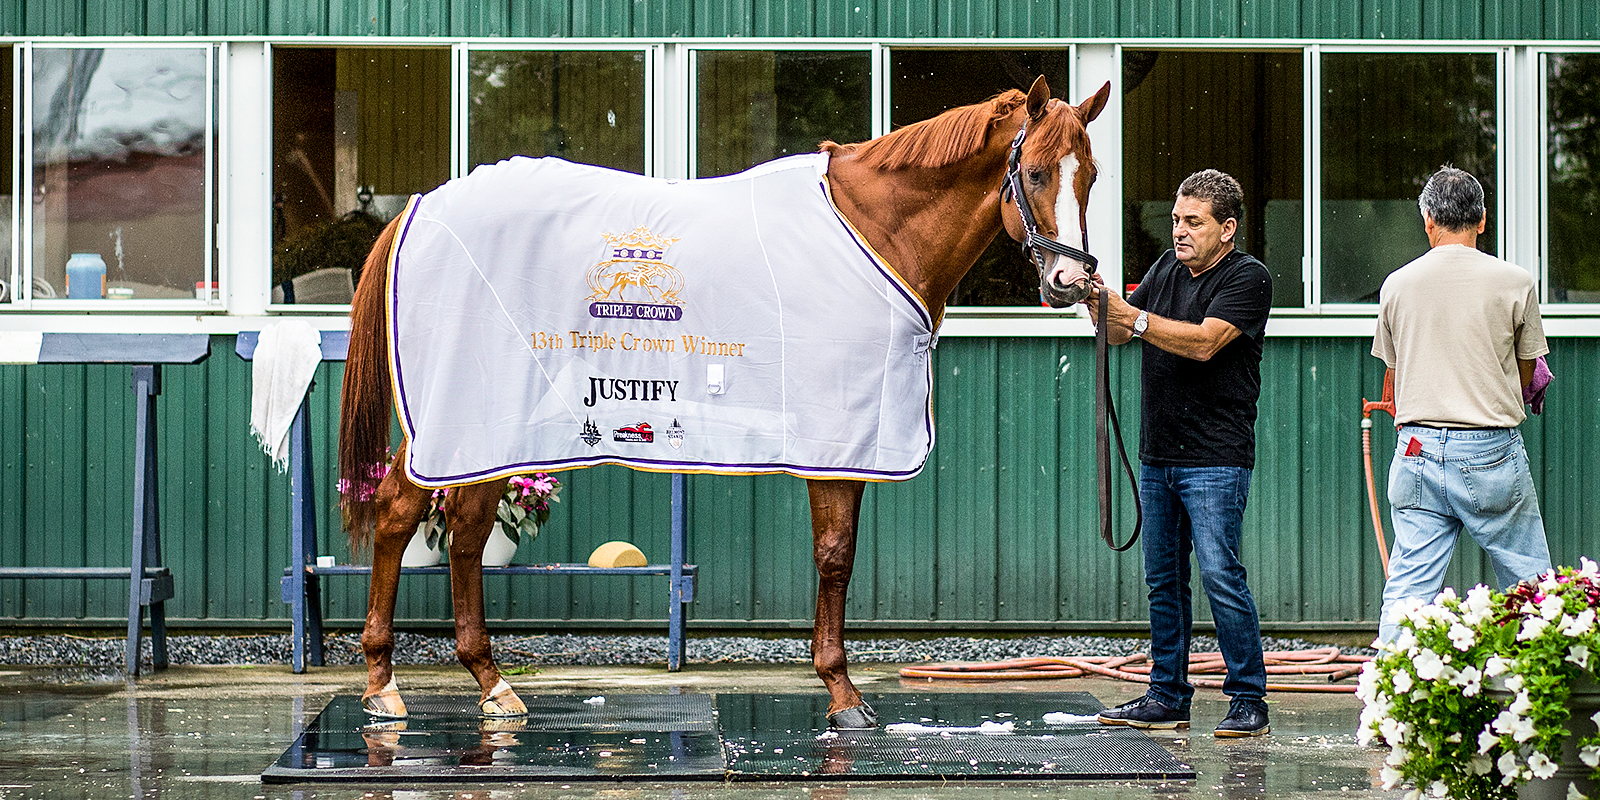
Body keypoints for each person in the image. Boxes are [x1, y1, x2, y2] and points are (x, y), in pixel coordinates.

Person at [1085, 169, 1274, 738]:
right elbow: (1120, 333)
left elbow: (1204, 342)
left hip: (1216, 457)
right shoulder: (1166, 269)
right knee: (1163, 579)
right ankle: (1167, 696)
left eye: (1194, 222)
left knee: (1221, 575)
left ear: (1228, 229)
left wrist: (1133, 318)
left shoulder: (1249, 279)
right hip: (1158, 453)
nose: (1180, 231)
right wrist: (1094, 302)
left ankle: (1249, 701)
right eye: (1175, 220)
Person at [1370, 166, 1552, 646]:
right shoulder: (1515, 281)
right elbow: (1529, 367)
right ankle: (1540, 697)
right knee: (1528, 582)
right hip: (1490, 448)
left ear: (1428, 220)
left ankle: (1386, 706)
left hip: (1416, 446)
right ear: (1483, 220)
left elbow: (1393, 373)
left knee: (1409, 586)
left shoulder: (1398, 284)